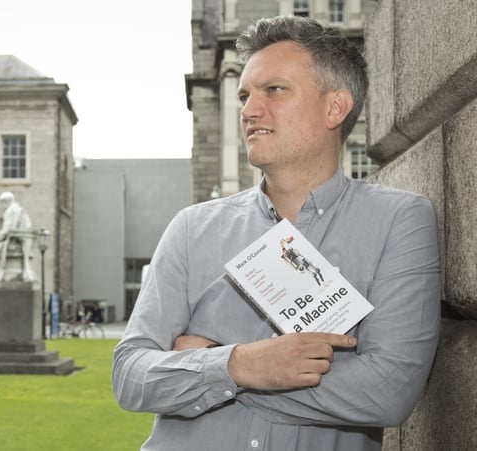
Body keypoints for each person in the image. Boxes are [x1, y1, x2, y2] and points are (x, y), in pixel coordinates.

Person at [112, 16, 440, 451]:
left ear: (335, 108)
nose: (248, 110)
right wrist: (242, 364)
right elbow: (131, 376)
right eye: (245, 94)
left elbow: (388, 392)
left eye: (274, 90)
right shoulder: (192, 228)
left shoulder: (399, 222)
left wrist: (212, 366)